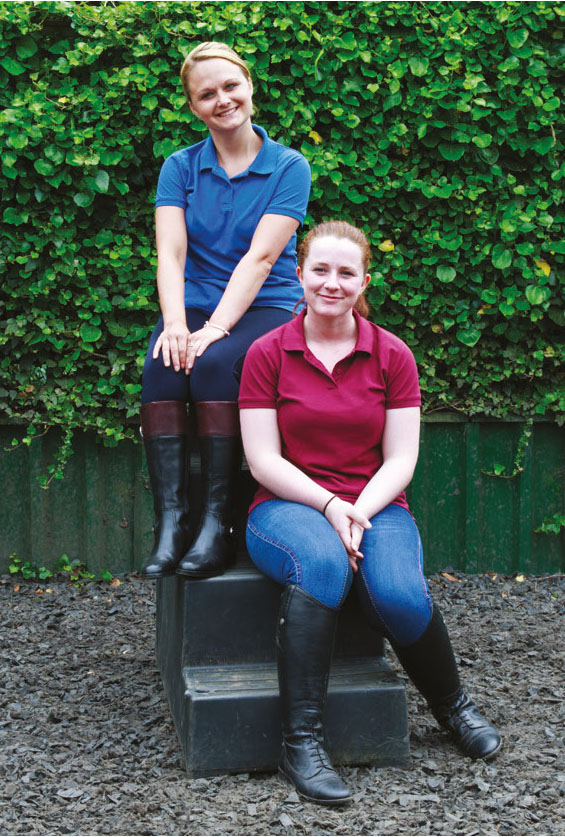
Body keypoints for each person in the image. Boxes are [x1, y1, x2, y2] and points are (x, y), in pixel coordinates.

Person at [238, 221, 501, 806]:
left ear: (363, 282)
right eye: (320, 270)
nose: (332, 283)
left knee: (401, 595)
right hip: (287, 505)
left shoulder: (392, 354)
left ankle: (453, 708)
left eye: (346, 273)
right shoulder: (266, 353)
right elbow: (262, 459)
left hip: (375, 502)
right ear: (299, 275)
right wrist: (331, 507)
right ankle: (300, 743)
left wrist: (357, 510)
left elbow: (401, 457)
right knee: (324, 565)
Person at [140, 42, 311, 579]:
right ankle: (173, 522)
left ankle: (218, 525)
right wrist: (174, 325)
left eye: (230, 86)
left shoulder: (288, 166)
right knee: (162, 362)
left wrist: (213, 329)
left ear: (250, 86)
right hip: (192, 302)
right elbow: (170, 252)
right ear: (193, 106)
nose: (222, 100)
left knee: (214, 363)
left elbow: (261, 259)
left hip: (266, 304)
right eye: (206, 94)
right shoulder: (180, 167)